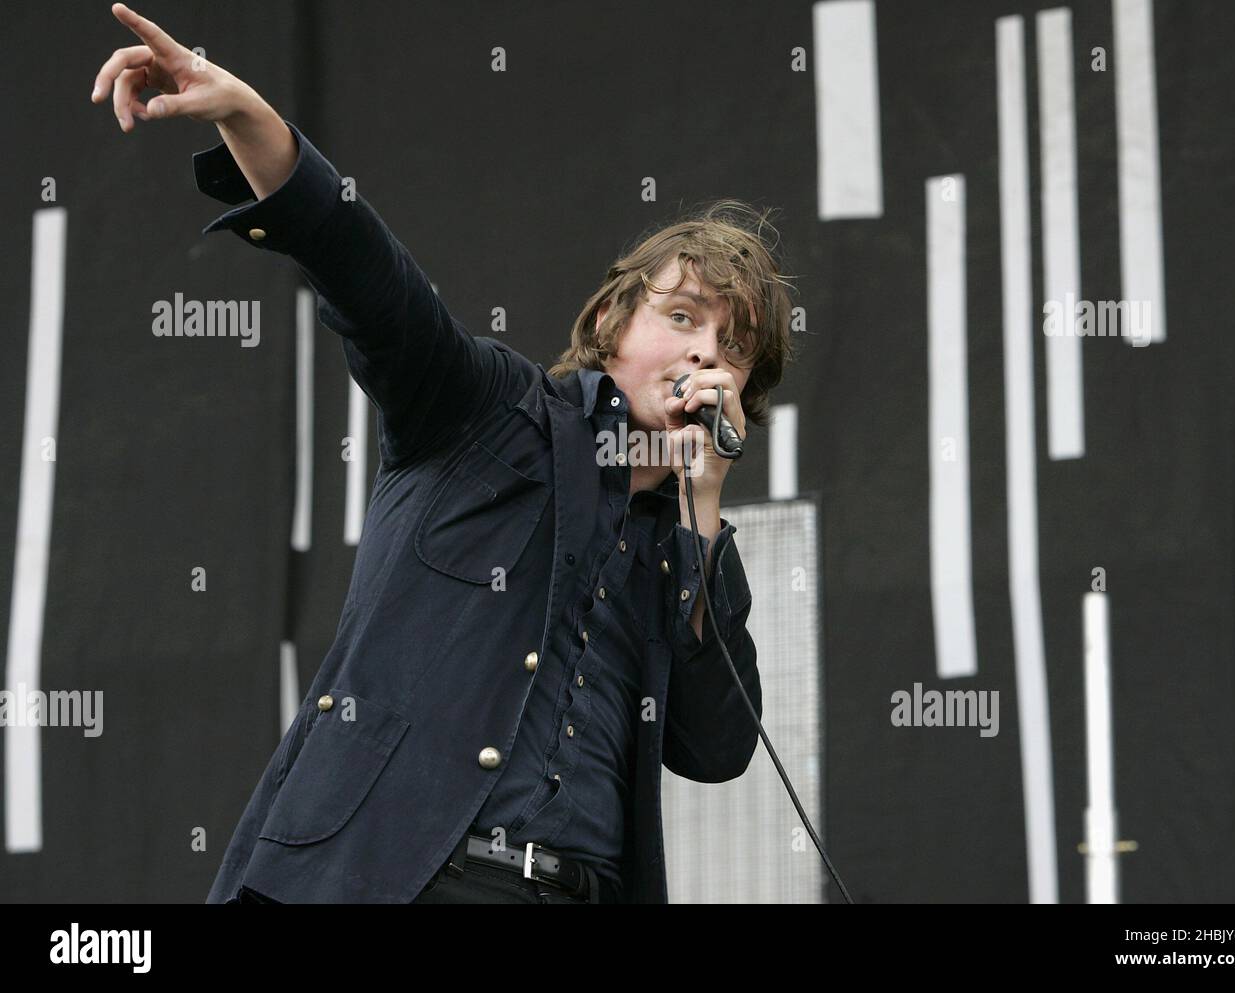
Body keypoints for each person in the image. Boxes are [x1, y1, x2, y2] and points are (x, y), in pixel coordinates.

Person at [92, 3, 795, 904]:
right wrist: (245, 116)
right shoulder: (489, 411)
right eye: (684, 316)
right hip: (393, 876)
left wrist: (704, 505)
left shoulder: (683, 551)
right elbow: (368, 278)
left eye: (733, 346)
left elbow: (719, 746)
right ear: (612, 322)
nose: (705, 354)